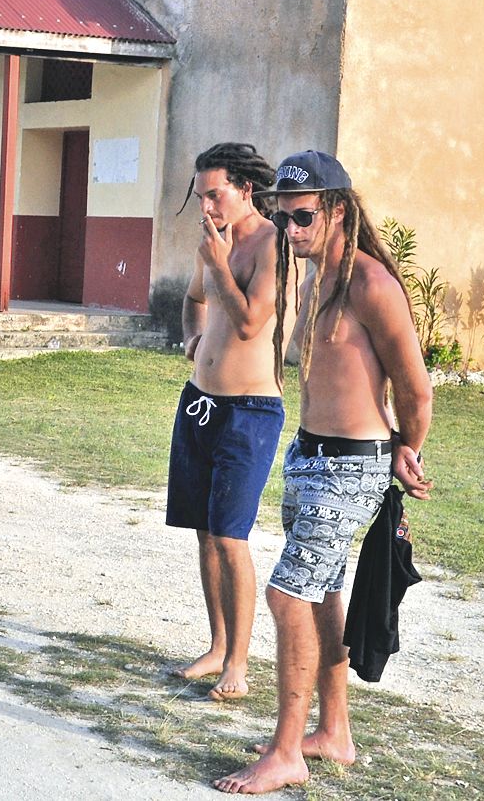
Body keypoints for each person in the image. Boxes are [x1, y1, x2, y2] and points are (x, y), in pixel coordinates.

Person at [215, 150, 433, 795]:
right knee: (323, 592)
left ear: (338, 210)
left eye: (303, 216)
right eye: (282, 219)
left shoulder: (372, 285)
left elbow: (415, 388)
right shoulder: (314, 279)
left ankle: (287, 751)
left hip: (351, 465)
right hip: (310, 454)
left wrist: (407, 448)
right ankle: (333, 732)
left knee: (289, 595)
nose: (292, 230)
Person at [166, 143, 284, 701]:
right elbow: (195, 300)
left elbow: (248, 321)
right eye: (201, 196)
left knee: (232, 536)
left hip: (249, 411)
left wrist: (218, 264)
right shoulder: (210, 246)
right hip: (199, 402)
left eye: (215, 194)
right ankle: (216, 646)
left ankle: (238, 662)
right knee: (204, 530)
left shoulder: (272, 245)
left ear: (246, 189)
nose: (206, 206)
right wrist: (191, 337)